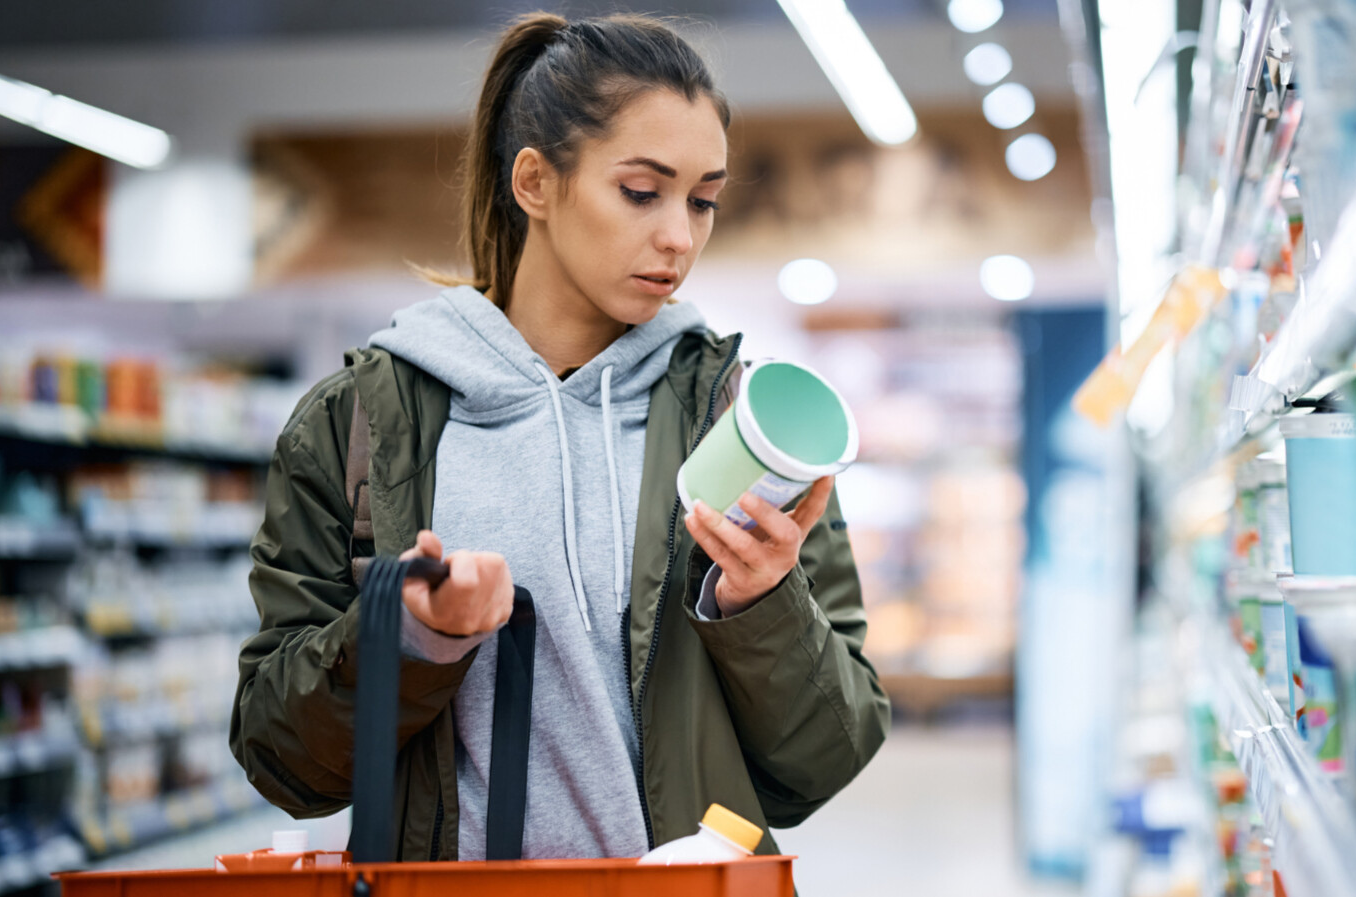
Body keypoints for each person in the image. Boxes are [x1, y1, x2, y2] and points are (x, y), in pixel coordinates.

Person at [229, 11, 890, 863]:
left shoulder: (741, 425)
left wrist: (761, 606)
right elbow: (283, 761)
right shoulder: (358, 425)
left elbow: (824, 760)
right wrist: (415, 637)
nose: (679, 237)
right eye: (642, 192)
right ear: (534, 182)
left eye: (704, 201)